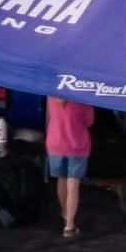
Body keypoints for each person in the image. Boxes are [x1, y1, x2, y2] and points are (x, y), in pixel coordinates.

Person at [44, 93, 93, 237]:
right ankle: (69, 225)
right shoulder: (84, 98)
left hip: (55, 142)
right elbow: (89, 121)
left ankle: (65, 213)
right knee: (73, 185)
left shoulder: (51, 95)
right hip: (77, 144)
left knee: (61, 180)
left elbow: (49, 117)